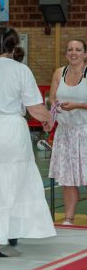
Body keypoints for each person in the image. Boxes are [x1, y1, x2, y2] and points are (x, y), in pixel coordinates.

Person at [0, 27, 56, 256]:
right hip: (10, 131)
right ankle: (11, 229)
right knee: (16, 181)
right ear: (15, 46)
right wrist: (48, 120)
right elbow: (35, 108)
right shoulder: (21, 70)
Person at [48, 39, 87, 225]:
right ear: (66, 54)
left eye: (78, 50)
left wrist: (78, 105)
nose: (74, 53)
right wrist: (50, 118)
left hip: (85, 132)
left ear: (85, 54)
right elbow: (52, 100)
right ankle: (69, 218)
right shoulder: (59, 72)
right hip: (65, 133)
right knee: (67, 178)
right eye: (70, 49)